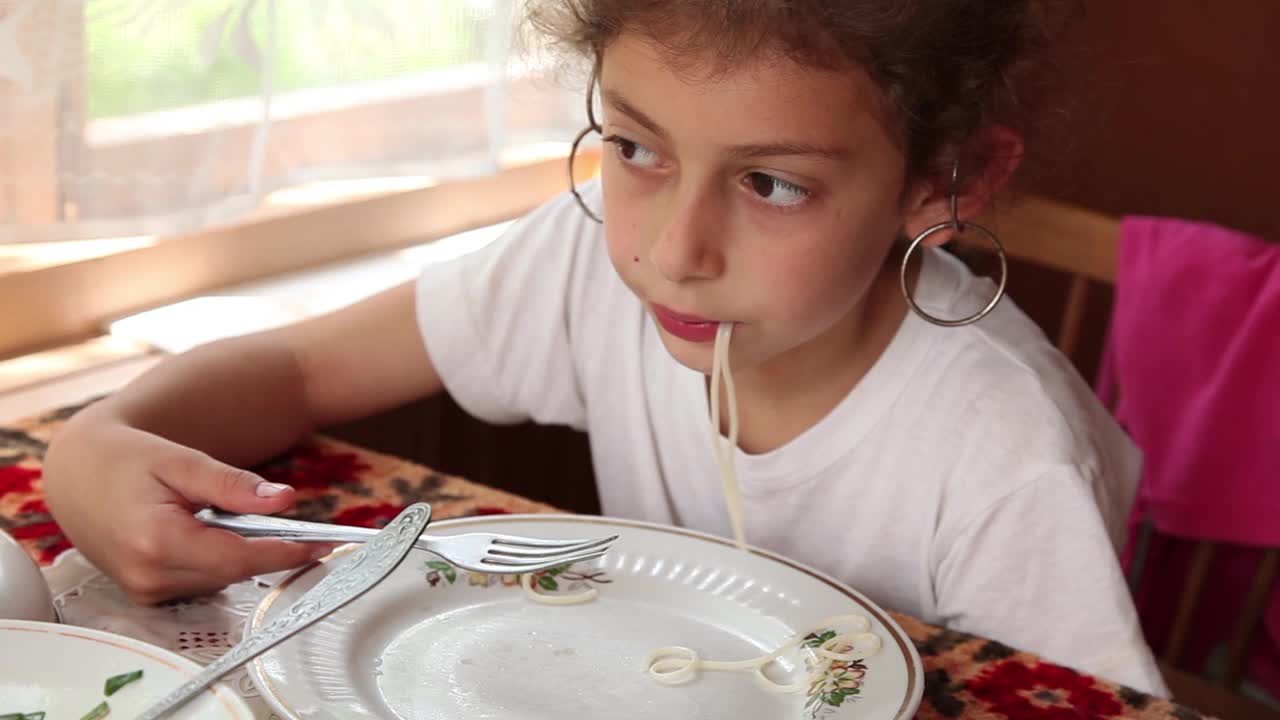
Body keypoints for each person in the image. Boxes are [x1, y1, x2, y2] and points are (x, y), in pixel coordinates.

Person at [42, 0, 1168, 695]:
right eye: (634, 147)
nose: (673, 252)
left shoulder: (1003, 453)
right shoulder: (585, 265)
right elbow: (295, 370)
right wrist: (100, 441)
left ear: (945, 182)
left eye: (771, 183)